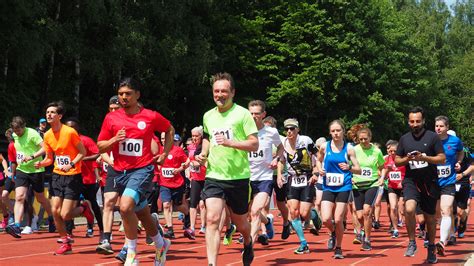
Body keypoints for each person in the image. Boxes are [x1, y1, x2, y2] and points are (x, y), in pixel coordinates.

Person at [97, 77, 173, 265]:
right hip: (120, 172)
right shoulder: (111, 118)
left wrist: (164, 154)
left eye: (128, 94)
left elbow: (169, 130)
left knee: (125, 206)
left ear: (137, 94)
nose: (124, 97)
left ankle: (131, 253)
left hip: (142, 170)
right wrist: (115, 140)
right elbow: (100, 146)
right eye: (121, 94)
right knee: (143, 214)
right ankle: (161, 243)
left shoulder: (150, 116)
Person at [195, 72, 258, 266]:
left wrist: (231, 143)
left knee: (241, 224)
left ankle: (248, 242)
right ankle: (212, 263)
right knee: (213, 219)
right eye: (216, 91)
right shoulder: (208, 115)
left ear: (232, 93)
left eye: (224, 91)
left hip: (238, 177)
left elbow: (254, 144)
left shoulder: (243, 114)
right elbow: (207, 138)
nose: (219, 95)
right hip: (214, 175)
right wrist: (203, 154)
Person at [33, 102, 94, 255]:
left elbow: (82, 152)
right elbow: (49, 159)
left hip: (73, 176)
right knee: (54, 211)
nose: (49, 115)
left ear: (59, 116)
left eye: (52, 112)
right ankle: (65, 241)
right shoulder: (47, 135)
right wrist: (41, 162)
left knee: (65, 214)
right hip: (57, 175)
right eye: (47, 112)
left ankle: (83, 208)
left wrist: (72, 163)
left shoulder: (70, 132)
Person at [395, 106, 445, 263]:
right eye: (412, 121)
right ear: (408, 122)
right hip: (411, 181)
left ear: (423, 121)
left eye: (417, 121)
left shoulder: (433, 137)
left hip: (430, 182)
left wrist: (425, 158)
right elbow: (397, 161)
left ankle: (431, 247)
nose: (415, 124)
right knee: (408, 209)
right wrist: (407, 159)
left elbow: (442, 158)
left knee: (430, 218)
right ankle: (411, 243)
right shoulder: (404, 139)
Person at [316, 120, 361, 259]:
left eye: (338, 130)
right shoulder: (324, 146)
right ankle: (334, 233)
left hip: (344, 186)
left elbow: (358, 170)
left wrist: (349, 168)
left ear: (343, 131)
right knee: (326, 219)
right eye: (333, 131)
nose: (336, 133)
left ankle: (339, 248)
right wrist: (319, 170)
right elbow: (318, 160)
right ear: (330, 132)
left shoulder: (349, 148)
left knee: (338, 219)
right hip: (328, 186)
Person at [5, 116, 55, 238]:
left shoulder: (32, 133)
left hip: (36, 169)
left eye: (19, 131)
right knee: (19, 197)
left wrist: (32, 156)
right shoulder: (15, 135)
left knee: (40, 198)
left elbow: (45, 148)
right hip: (22, 169)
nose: (17, 133)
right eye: (15, 131)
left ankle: (52, 218)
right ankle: (16, 225)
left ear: (24, 126)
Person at [278, 118, 317, 254]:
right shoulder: (282, 143)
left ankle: (314, 215)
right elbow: (281, 160)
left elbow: (318, 156)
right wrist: (279, 175)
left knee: (304, 213)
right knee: (293, 212)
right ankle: (303, 243)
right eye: (287, 129)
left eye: (292, 129)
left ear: (297, 130)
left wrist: (316, 172)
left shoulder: (306, 141)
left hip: (307, 178)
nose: (289, 131)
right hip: (292, 179)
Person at [247, 100, 283, 246]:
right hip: (246, 177)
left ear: (263, 114)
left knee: (255, 211)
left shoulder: (271, 132)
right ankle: (267, 221)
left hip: (264, 177)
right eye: (251, 114)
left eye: (257, 114)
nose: (254, 116)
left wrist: (276, 158)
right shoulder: (243, 131)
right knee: (249, 211)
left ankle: (249, 245)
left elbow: (281, 148)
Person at [65, 118, 103, 239]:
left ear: (77, 129)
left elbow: (98, 154)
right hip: (70, 177)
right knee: (70, 205)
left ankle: (102, 230)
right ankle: (69, 232)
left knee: (93, 203)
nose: (70, 130)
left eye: (72, 127)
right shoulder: (64, 141)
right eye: (67, 127)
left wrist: (81, 159)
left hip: (87, 179)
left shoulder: (85, 140)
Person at [96, 95, 123, 256]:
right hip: (115, 168)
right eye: (111, 108)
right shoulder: (108, 122)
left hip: (133, 169)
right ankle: (106, 239)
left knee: (130, 208)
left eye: (116, 108)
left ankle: (153, 228)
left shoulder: (133, 120)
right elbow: (102, 147)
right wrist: (110, 161)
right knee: (109, 202)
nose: (113, 111)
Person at [433, 116, 464, 256]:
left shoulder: (455, 141)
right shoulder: (430, 141)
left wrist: (458, 162)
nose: (438, 128)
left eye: (441, 126)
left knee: (446, 210)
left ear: (447, 127)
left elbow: (461, 152)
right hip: (433, 182)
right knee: (436, 214)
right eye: (436, 126)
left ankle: (441, 242)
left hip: (448, 181)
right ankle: (440, 234)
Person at [351, 127, 385, 251]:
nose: (363, 141)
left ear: (370, 138)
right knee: (359, 215)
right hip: (357, 185)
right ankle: (362, 231)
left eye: (366, 139)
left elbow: (382, 166)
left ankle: (367, 240)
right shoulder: (353, 150)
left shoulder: (376, 151)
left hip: (372, 184)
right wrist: (350, 177)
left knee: (367, 211)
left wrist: (382, 178)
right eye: (361, 139)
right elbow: (347, 166)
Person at [157, 132, 191, 239]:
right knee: (166, 205)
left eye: (165, 138)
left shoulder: (178, 150)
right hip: (164, 183)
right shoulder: (159, 150)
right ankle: (170, 229)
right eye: (162, 138)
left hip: (177, 183)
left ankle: (187, 214)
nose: (163, 140)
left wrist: (180, 169)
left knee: (178, 206)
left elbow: (187, 162)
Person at [263, 116, 291, 240]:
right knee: (264, 204)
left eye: (268, 127)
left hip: (279, 175)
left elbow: (283, 159)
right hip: (265, 175)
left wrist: (279, 174)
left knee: (280, 204)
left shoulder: (281, 140)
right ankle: (264, 231)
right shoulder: (260, 137)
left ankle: (286, 222)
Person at [382, 140, 406, 238]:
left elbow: (409, 173)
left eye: (394, 151)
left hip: (402, 187)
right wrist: (385, 175)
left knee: (403, 208)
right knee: (393, 207)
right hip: (392, 186)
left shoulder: (403, 159)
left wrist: (403, 182)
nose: (392, 153)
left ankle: (411, 224)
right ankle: (395, 229)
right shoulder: (386, 160)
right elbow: (383, 173)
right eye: (390, 151)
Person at [188, 126, 207, 236]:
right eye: (193, 136)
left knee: (202, 204)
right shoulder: (190, 147)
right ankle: (192, 227)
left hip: (205, 178)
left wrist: (198, 163)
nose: (194, 138)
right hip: (195, 178)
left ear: (201, 136)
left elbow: (203, 160)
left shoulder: (205, 147)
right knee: (193, 203)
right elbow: (189, 160)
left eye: (196, 136)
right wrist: (183, 166)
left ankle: (203, 226)